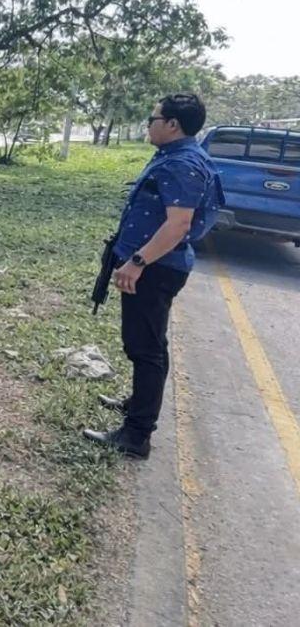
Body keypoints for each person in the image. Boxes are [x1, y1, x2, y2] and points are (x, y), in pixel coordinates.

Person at [83, 94, 223, 459]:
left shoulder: (183, 165)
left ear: (172, 124)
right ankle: (138, 405)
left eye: (153, 118)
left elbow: (178, 226)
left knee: (144, 349)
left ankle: (136, 435)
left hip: (155, 269)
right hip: (157, 266)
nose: (149, 124)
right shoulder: (175, 157)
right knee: (153, 344)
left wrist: (137, 263)